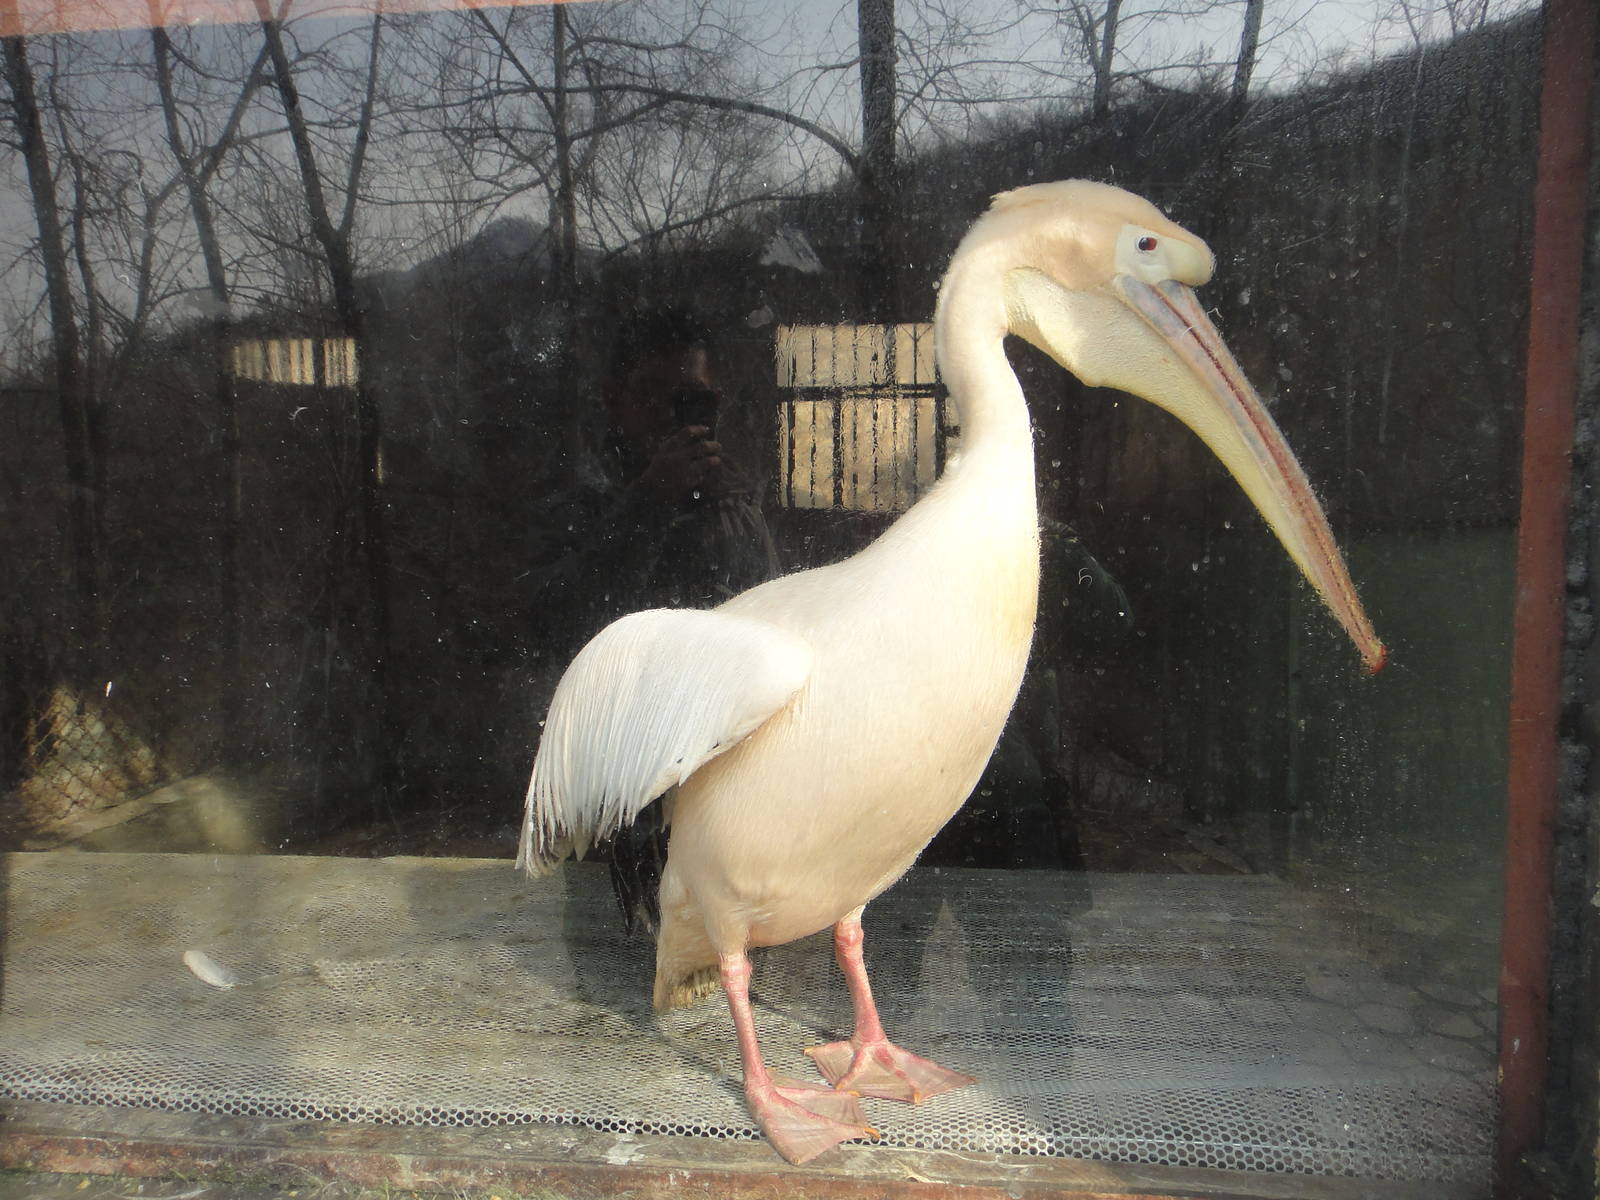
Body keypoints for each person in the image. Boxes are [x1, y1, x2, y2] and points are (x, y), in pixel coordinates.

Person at [524, 308, 781, 926]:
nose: (678, 417)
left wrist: (740, 516)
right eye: (657, 398)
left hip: (714, 780)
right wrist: (645, 503)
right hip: (610, 787)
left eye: (694, 400)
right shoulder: (577, 487)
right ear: (615, 399)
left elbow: (769, 619)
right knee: (599, 978)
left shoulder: (729, 489)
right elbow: (549, 624)